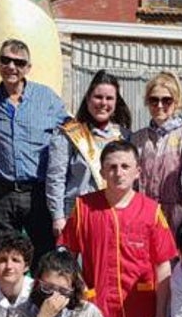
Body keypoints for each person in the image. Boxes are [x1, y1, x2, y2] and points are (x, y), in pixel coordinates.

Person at [60, 140, 178, 317]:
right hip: (99, 313)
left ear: (138, 171)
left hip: (141, 316)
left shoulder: (151, 210)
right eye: (111, 167)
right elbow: (67, 258)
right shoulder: (83, 207)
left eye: (125, 166)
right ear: (101, 172)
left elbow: (163, 266)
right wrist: (78, 296)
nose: (118, 172)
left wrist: (160, 315)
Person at [0, 39, 70, 263]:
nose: (12, 67)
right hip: (2, 193)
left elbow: (73, 129)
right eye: (6, 60)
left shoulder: (47, 98)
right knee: (4, 257)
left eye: (19, 63)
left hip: (38, 194)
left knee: (44, 256)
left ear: (28, 68)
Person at [47, 70, 131, 240]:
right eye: (98, 97)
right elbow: (56, 178)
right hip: (77, 214)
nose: (103, 103)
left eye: (109, 98)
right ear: (87, 99)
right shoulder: (68, 134)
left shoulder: (124, 136)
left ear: (116, 103)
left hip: (113, 214)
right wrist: (58, 217)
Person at [133, 71, 182, 232]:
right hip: (144, 217)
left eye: (166, 100)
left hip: (177, 218)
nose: (159, 105)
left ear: (176, 102)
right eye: (153, 100)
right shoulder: (137, 138)